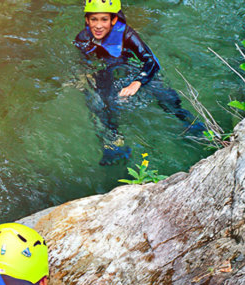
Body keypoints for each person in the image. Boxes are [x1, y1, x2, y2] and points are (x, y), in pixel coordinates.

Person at [74, 0, 205, 165]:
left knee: (162, 92)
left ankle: (188, 122)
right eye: (94, 19)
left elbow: (150, 62)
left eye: (104, 19)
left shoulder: (127, 35)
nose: (98, 25)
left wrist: (137, 82)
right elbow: (84, 62)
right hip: (106, 68)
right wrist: (82, 76)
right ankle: (114, 145)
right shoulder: (82, 38)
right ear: (87, 20)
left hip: (130, 64)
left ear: (113, 20)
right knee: (99, 103)